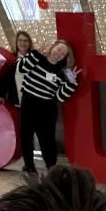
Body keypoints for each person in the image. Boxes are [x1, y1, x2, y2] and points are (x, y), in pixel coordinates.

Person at [18, 39, 80, 174]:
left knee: (47, 140)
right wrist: (35, 54)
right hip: (28, 102)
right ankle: (29, 165)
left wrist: (71, 84)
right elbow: (21, 68)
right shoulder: (37, 58)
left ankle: (51, 167)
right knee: (26, 136)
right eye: (58, 50)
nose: (59, 54)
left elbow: (59, 97)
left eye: (63, 54)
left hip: (47, 108)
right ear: (53, 47)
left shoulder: (63, 72)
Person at [0, 30, 34, 108]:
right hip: (16, 101)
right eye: (20, 40)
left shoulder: (35, 58)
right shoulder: (10, 59)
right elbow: (3, 79)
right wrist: (0, 95)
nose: (23, 43)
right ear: (16, 43)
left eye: (26, 41)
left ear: (30, 43)